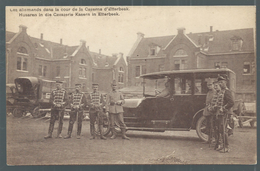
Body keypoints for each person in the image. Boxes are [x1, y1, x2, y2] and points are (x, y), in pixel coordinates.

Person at [209, 75, 234, 152]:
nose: (220, 84)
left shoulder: (227, 91)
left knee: (223, 131)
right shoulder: (220, 92)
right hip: (218, 114)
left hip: (223, 114)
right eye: (219, 82)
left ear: (225, 82)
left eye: (222, 82)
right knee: (219, 130)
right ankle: (221, 145)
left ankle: (226, 147)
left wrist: (223, 108)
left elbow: (231, 102)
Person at [202, 78, 216, 144]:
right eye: (208, 85)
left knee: (212, 125)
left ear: (213, 85)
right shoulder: (208, 92)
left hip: (212, 111)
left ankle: (213, 139)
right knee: (208, 125)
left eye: (210, 85)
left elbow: (215, 102)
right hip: (207, 110)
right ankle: (209, 139)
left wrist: (211, 107)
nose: (209, 86)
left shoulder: (215, 92)